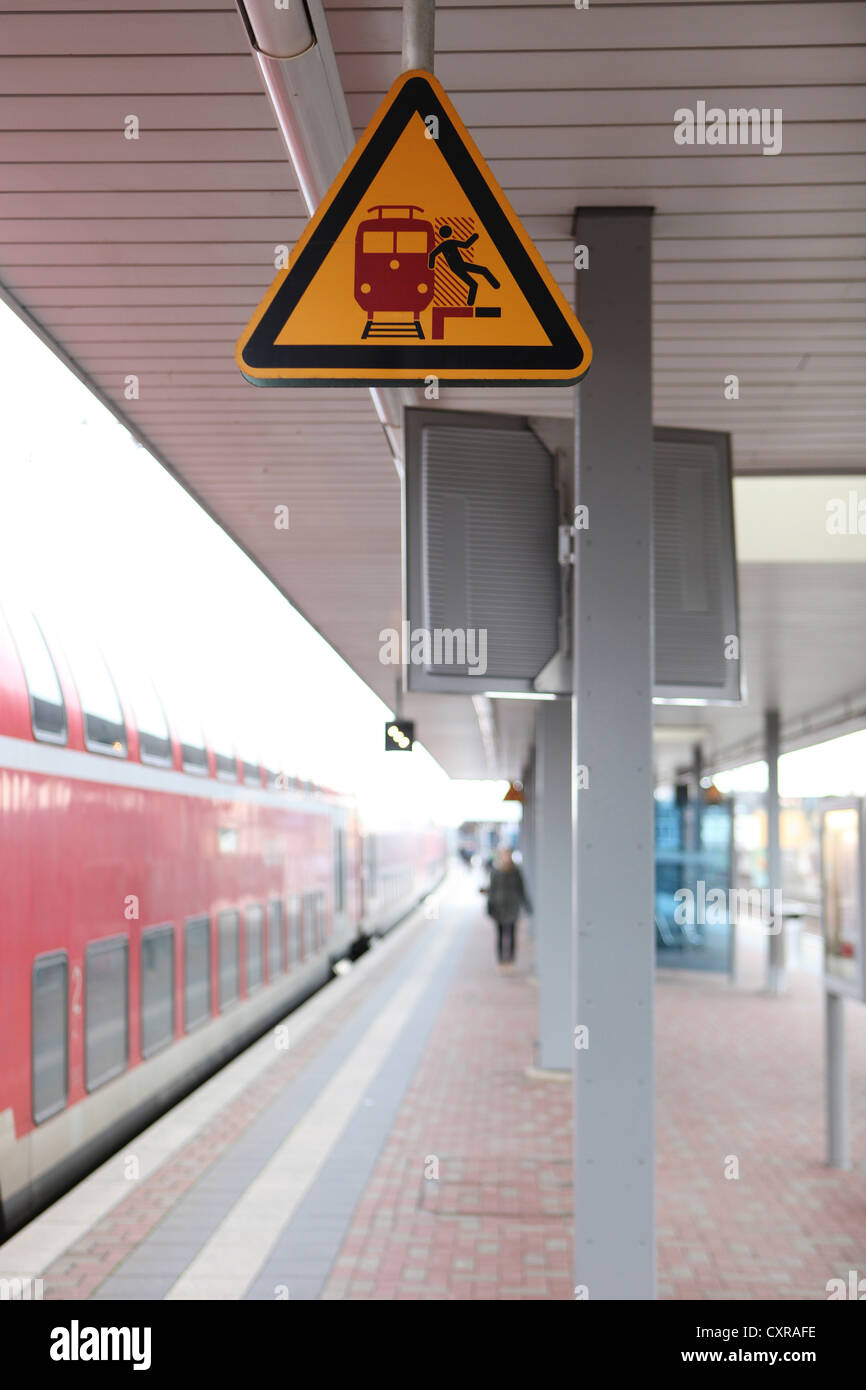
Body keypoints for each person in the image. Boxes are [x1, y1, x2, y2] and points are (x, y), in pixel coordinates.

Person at [428, 226, 500, 307]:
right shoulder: (450, 243)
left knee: (474, 284)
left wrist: (431, 266)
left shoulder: (445, 244)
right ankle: (496, 286)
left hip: (456, 267)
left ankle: (471, 303)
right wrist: (475, 236)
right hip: (459, 265)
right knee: (483, 271)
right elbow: (466, 245)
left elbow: (432, 255)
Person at [484, 848, 531, 967]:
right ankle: (501, 960)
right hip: (499, 907)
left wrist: (527, 905)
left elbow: (521, 889)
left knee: (512, 933)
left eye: (508, 855)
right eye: (504, 855)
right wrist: (489, 904)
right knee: (500, 934)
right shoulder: (495, 872)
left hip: (512, 906)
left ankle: (511, 959)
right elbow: (492, 889)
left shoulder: (516, 871)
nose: (506, 858)